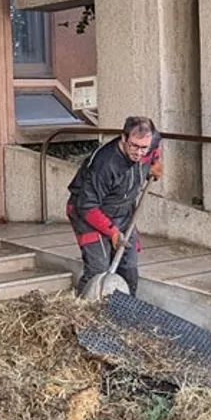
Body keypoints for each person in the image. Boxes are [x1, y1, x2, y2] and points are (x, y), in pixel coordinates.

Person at [66, 116, 161, 297]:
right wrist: (112, 233)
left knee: (129, 268)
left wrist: (155, 162)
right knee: (98, 270)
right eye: (134, 146)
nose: (139, 153)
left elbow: (155, 147)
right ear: (123, 138)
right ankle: (82, 307)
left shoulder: (151, 141)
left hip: (123, 211)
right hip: (87, 213)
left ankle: (127, 306)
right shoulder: (105, 164)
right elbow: (87, 206)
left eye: (144, 148)